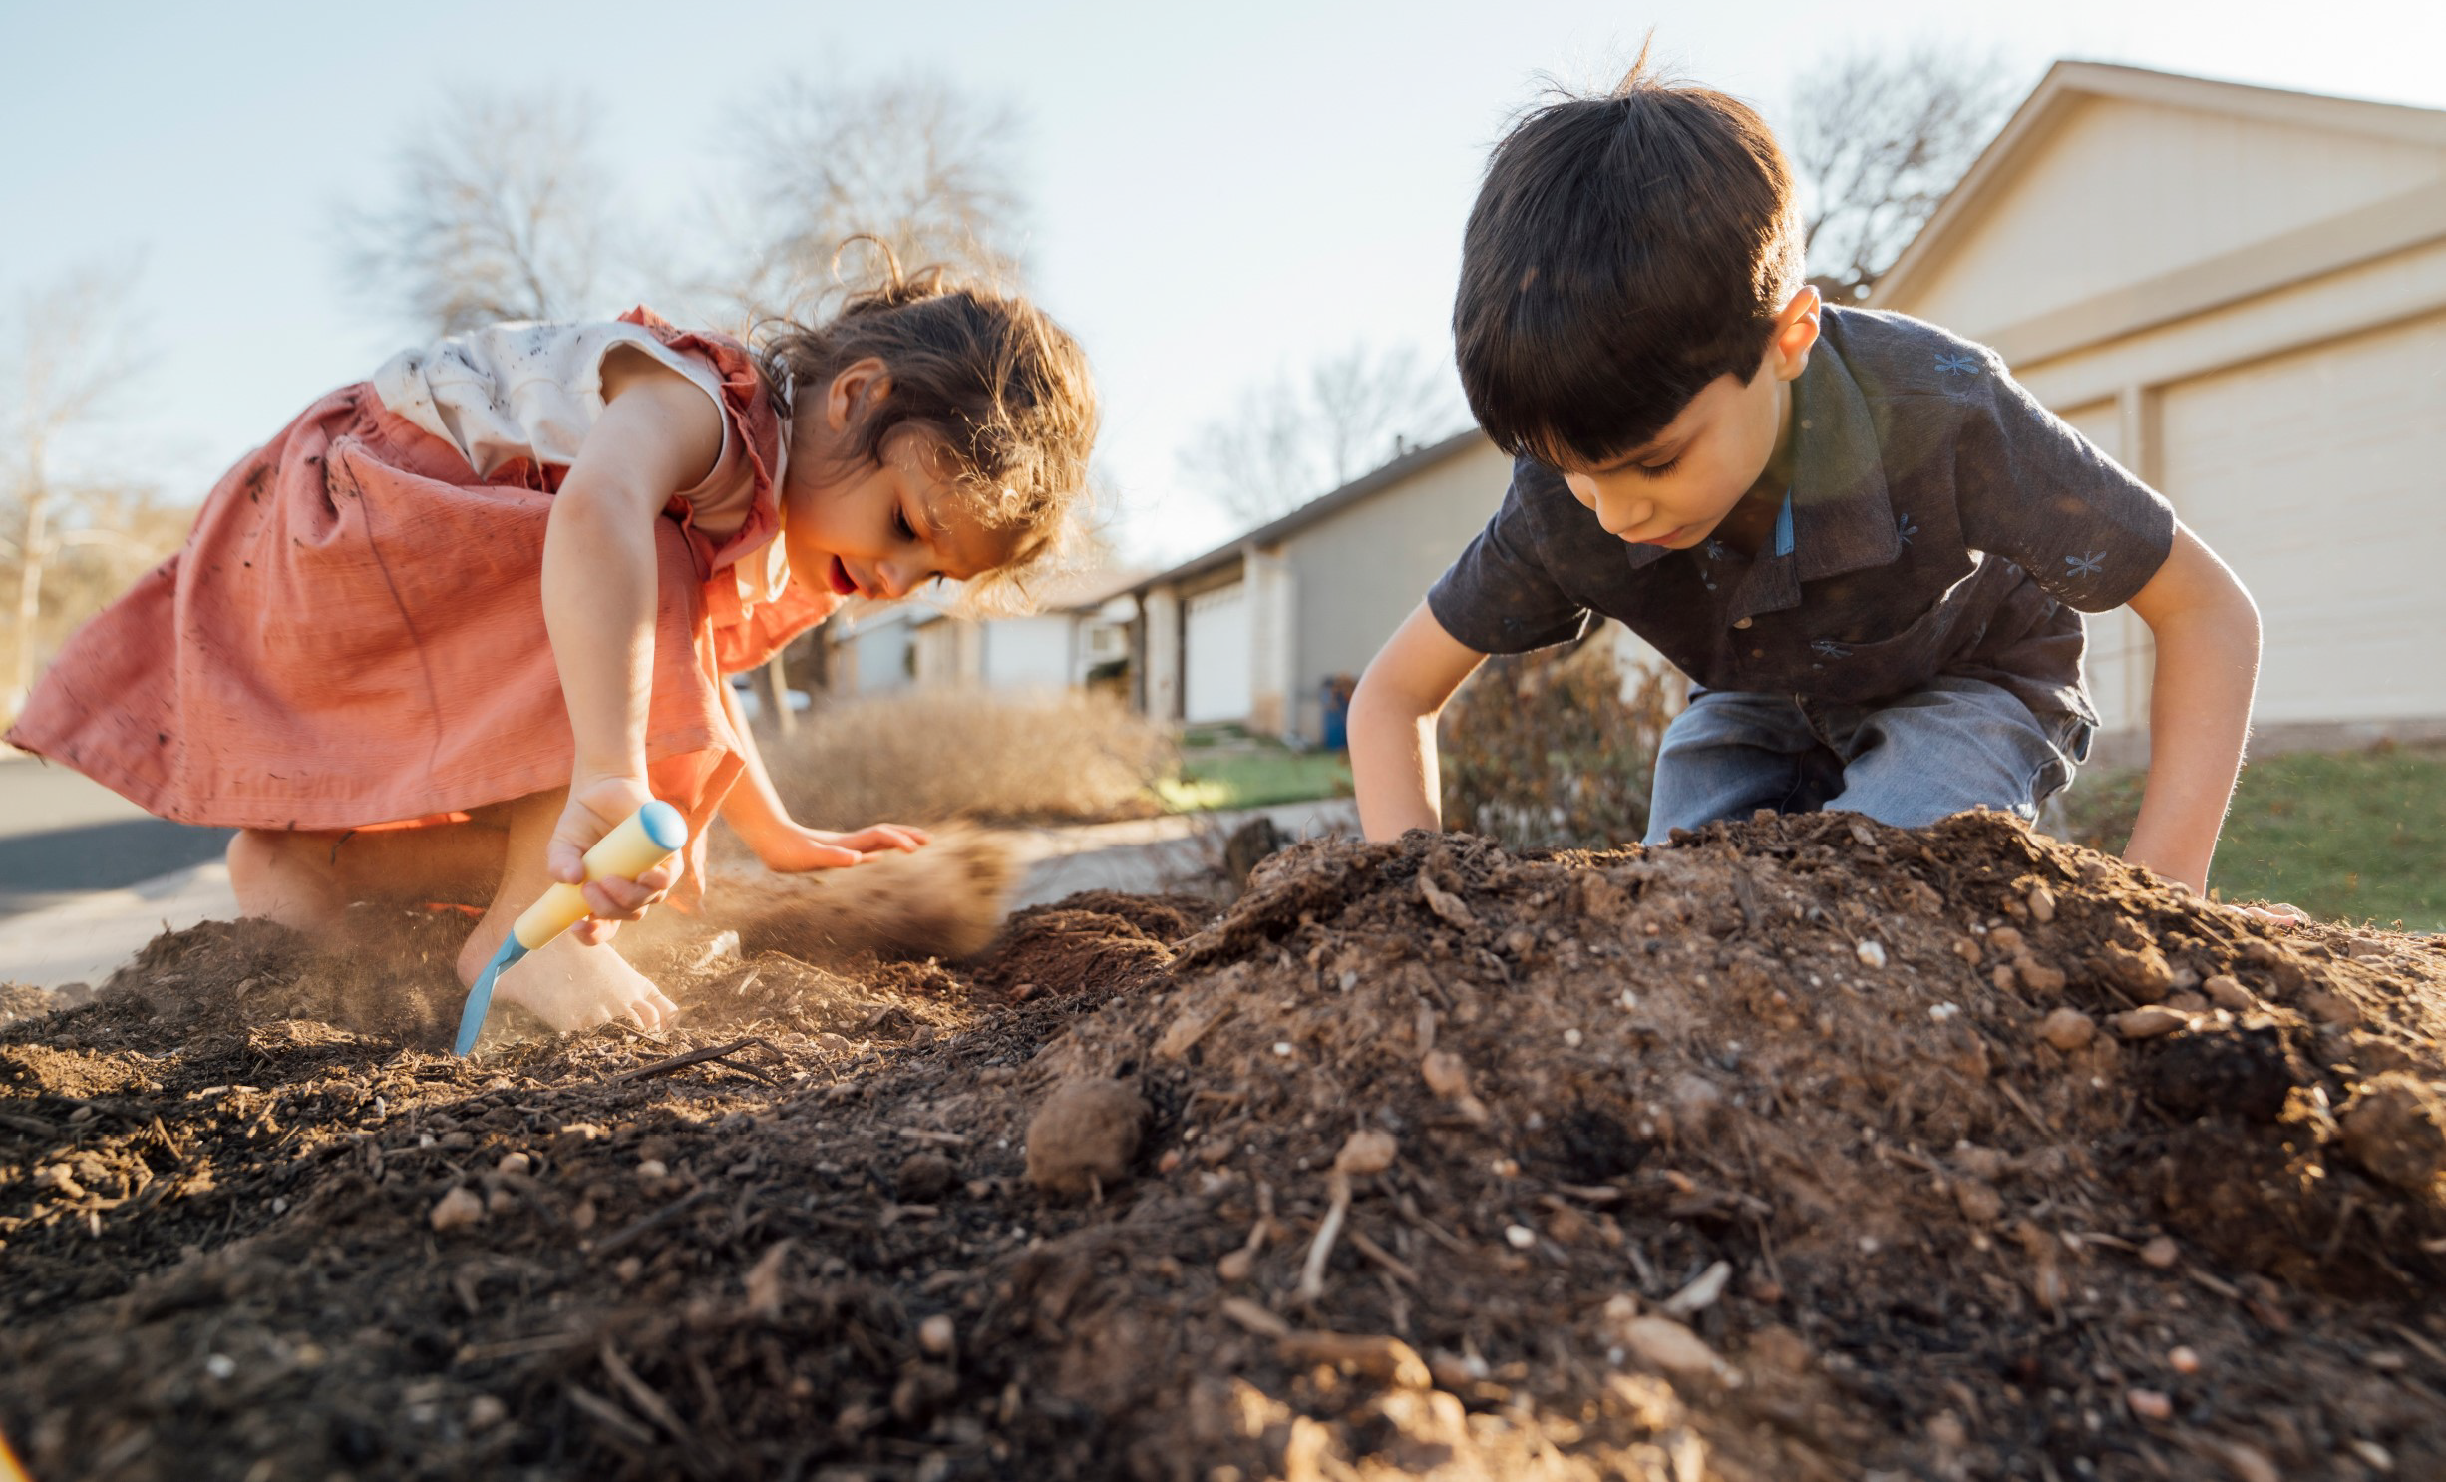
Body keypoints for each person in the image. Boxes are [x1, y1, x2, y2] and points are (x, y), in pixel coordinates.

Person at [7, 250, 1100, 1030]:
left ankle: (314, 866)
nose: (895, 581)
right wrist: (611, 767)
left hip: (370, 560)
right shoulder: (704, 410)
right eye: (908, 525)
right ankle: (533, 937)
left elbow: (689, 670)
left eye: (931, 577)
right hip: (352, 524)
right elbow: (598, 521)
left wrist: (776, 834)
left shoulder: (748, 516)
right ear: (853, 397)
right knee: (626, 704)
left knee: (649, 830)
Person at [1350, 58, 2279, 910]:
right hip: (1753, 700)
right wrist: (1415, 909)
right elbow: (1393, 696)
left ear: (1788, 338)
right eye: (1575, 471)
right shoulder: (1561, 509)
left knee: (1879, 898)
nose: (1619, 513)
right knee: (1674, 910)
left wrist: (2169, 888)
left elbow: (2208, 610)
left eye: (1657, 462)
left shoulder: (1942, 409)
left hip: (1969, 678)